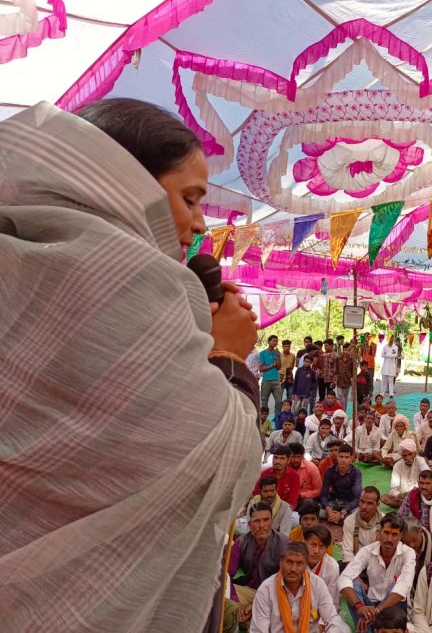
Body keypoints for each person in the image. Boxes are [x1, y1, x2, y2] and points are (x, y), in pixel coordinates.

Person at [0, 100, 267, 631]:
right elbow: (219, 461)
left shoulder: (16, 260)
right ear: (125, 185)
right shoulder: (124, 284)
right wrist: (228, 357)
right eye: (189, 198)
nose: (198, 222)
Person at [339, 513, 417, 632]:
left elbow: (403, 587)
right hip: (370, 606)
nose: (389, 539)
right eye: (386, 533)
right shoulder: (368, 550)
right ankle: (366, 628)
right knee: (352, 583)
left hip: (394, 607)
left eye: (394, 534)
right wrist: (360, 607)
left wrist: (377, 611)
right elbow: (343, 578)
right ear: (380, 531)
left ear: (401, 536)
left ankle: (369, 628)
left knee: (395, 586)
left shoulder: (408, 553)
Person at [249, 541, 347, 633]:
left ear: (306, 565)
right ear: (280, 563)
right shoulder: (266, 589)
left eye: (299, 563)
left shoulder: (317, 584)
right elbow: (258, 630)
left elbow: (332, 619)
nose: (293, 569)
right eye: (289, 562)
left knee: (344, 629)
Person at [228, 502, 289, 618]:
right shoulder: (240, 543)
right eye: (257, 521)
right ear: (250, 525)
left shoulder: (284, 544)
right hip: (250, 591)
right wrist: (235, 601)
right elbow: (227, 575)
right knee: (223, 595)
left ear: (272, 522)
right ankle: (247, 616)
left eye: (266, 520)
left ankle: (252, 618)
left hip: (274, 595)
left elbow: (288, 584)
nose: (262, 525)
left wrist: (257, 604)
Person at [399, 470, 432, 534]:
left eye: (428, 483)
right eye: (421, 483)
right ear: (418, 483)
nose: (424, 487)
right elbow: (401, 517)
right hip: (417, 533)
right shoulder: (411, 494)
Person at [320, 443, 362, 524]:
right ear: (337, 457)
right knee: (314, 509)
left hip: (349, 504)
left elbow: (357, 497)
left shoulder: (356, 472)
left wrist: (343, 512)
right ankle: (339, 518)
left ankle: (337, 518)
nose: (343, 460)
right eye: (341, 457)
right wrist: (328, 509)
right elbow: (323, 494)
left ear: (351, 459)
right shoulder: (329, 471)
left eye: (347, 457)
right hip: (333, 502)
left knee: (359, 513)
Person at [383, 439, 430, 508]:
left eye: (410, 454)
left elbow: (427, 474)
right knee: (384, 498)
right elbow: (393, 489)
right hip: (404, 497)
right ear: (402, 456)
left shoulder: (420, 461)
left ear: (415, 453)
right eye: (405, 456)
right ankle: (411, 506)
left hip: (419, 493)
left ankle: (408, 506)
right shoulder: (397, 466)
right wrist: (400, 495)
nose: (408, 458)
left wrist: (416, 489)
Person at [303, 525, 341, 608]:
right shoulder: (295, 561)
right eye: (313, 545)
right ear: (305, 543)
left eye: (321, 546)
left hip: (322, 612)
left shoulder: (332, 567)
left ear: (327, 548)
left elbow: (333, 603)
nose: (316, 551)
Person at [341, 487, 383, 564]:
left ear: (377, 505)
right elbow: (347, 554)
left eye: (369, 503)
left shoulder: (384, 521)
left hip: (378, 564)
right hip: (356, 564)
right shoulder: (350, 521)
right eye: (362, 501)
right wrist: (355, 574)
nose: (364, 507)